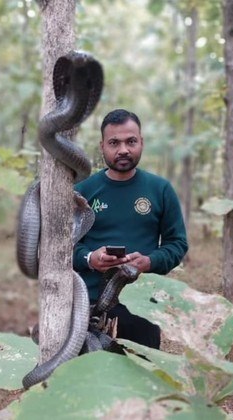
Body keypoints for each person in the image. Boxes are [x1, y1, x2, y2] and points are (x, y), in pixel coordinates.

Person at [73, 109, 188, 349]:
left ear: (141, 143)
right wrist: (90, 258)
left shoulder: (160, 189)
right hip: (89, 308)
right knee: (92, 380)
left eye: (131, 141)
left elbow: (177, 244)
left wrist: (149, 261)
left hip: (142, 306)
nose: (123, 149)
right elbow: (64, 246)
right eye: (114, 142)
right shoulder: (83, 191)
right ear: (102, 146)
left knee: (143, 380)